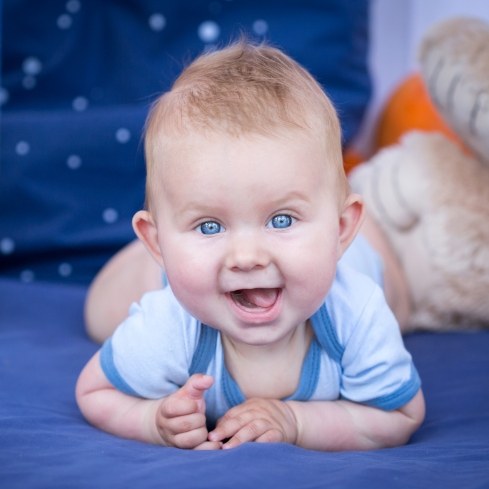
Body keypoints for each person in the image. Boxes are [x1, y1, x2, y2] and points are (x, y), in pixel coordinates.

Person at [76, 41, 425, 451]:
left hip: (361, 257)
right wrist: (153, 420)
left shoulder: (358, 313)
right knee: (100, 314)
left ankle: (369, 228)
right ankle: (158, 258)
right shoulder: (169, 327)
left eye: (281, 219)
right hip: (179, 273)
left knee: (403, 304)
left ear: (341, 227)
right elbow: (94, 392)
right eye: (209, 225)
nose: (247, 257)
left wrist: (295, 421)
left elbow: (400, 415)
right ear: (156, 241)